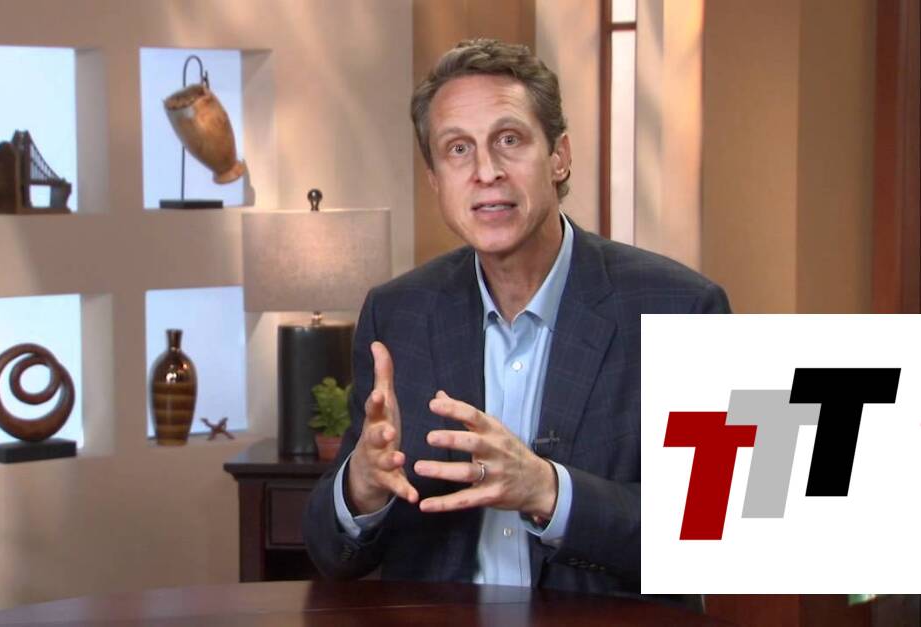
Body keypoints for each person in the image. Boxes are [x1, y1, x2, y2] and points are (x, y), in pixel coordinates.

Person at [303, 38, 729, 602]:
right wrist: (360, 485)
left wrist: (549, 491)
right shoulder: (397, 313)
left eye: (509, 140)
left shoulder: (682, 307)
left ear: (559, 156)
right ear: (435, 180)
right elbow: (331, 555)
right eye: (458, 149)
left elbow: (715, 533)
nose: (487, 171)